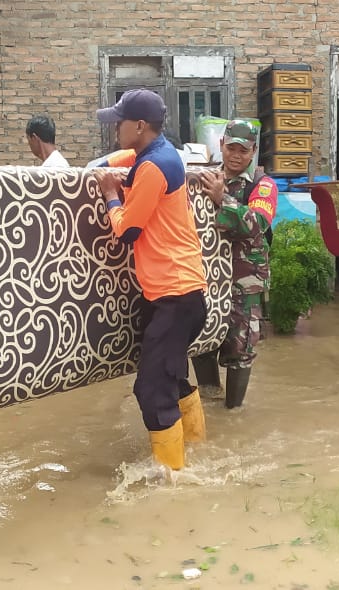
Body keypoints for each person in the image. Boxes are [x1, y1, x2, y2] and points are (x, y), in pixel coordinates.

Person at [92, 89, 207, 471]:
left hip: (175, 295)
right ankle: (196, 453)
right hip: (180, 294)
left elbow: (128, 230)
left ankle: (173, 480)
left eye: (119, 122)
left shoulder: (153, 167)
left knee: (152, 390)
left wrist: (110, 195)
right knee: (172, 378)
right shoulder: (159, 154)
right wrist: (102, 169)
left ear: (139, 126)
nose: (115, 129)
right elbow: (110, 161)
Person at [192, 120, 277, 409]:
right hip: (206, 277)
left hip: (245, 281)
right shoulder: (204, 178)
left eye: (243, 150)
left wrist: (222, 198)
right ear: (221, 145)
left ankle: (233, 413)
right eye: (231, 148)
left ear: (253, 151)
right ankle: (209, 405)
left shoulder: (263, 186)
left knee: (241, 345)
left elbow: (257, 224)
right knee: (200, 340)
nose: (236, 155)